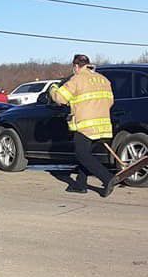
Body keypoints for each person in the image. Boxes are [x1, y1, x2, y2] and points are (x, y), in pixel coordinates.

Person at [50, 54, 121, 198]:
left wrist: (53, 89)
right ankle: (80, 184)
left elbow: (60, 98)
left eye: (74, 68)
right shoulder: (103, 79)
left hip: (85, 124)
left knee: (82, 154)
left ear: (76, 66)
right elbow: (111, 101)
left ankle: (107, 178)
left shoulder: (77, 79)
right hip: (103, 124)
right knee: (86, 154)